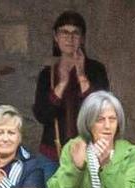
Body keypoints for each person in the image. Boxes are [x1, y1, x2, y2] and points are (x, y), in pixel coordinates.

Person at [33, 10, 105, 159]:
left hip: (90, 152)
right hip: (53, 155)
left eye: (75, 33)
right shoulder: (47, 74)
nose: (70, 38)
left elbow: (101, 110)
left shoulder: (96, 70)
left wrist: (81, 77)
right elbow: (42, 115)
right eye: (64, 32)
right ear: (55, 37)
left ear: (82, 38)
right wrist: (62, 84)